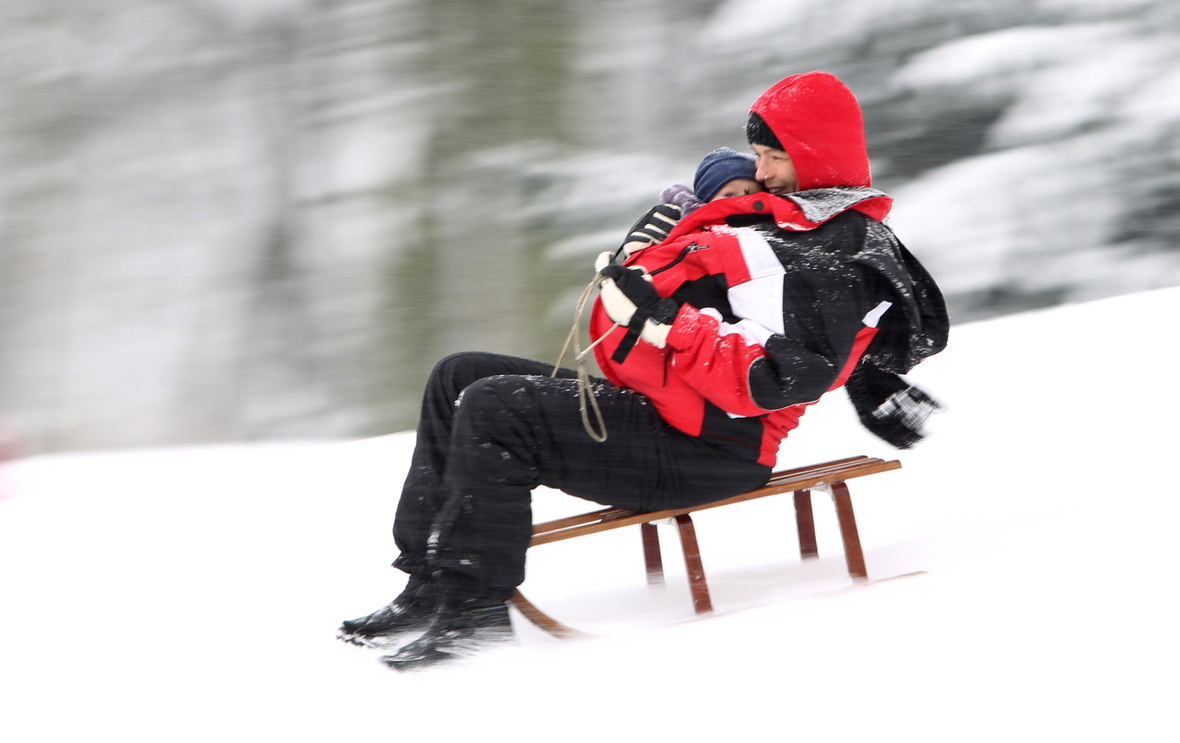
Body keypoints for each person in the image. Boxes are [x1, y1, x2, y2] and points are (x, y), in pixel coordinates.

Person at [339, 70, 949, 671]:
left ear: (815, 154)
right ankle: (431, 585)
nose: (759, 171)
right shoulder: (794, 225)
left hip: (709, 448)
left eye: (770, 157)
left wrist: (662, 319)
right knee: (459, 377)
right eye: (759, 156)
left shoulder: (834, 247)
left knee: (496, 409)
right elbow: (787, 324)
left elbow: (772, 377)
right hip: (665, 414)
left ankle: (475, 615)